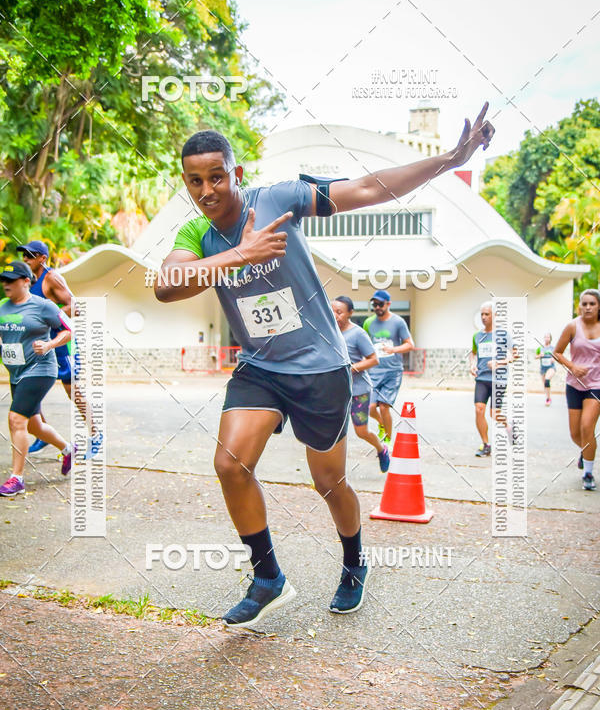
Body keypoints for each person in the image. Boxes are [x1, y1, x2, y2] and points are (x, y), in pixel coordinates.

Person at [155, 104, 494, 629]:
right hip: (260, 367)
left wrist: (449, 160)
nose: (206, 190)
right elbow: (166, 285)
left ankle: (355, 562)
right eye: (194, 181)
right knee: (230, 465)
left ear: (235, 173)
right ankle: (268, 578)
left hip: (320, 367)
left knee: (329, 482)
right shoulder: (195, 234)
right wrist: (241, 255)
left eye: (216, 177)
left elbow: (368, 188)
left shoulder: (278, 199)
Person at [16, 240, 100, 458]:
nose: (25, 259)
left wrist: (50, 315)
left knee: (73, 391)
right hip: (40, 345)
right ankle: (43, 435)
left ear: (42, 258)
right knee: (30, 388)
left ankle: (95, 435)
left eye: (30, 255)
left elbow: (76, 306)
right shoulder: (28, 281)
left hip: (62, 344)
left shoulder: (51, 277)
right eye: (24, 255)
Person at [0, 261, 74, 496]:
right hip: (17, 372)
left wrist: (50, 344)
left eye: (11, 280)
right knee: (33, 425)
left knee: (15, 419)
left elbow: (68, 329)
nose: (6, 284)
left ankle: (17, 478)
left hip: (40, 369)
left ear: (26, 281)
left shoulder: (44, 306)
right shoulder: (2, 307)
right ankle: (68, 449)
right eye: (3, 280)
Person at [331, 296, 390, 472]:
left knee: (361, 431)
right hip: (336, 392)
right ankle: (331, 470)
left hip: (359, 391)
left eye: (339, 312)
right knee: (333, 430)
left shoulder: (358, 334)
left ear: (350, 313)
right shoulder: (329, 331)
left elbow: (373, 359)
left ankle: (381, 449)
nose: (335, 315)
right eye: (332, 311)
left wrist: (350, 369)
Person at [553, 289, 600, 491]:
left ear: (599, 306)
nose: (587, 307)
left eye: (592, 304)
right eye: (584, 304)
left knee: (587, 427)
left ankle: (588, 473)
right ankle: (586, 451)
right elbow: (557, 352)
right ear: (579, 306)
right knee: (575, 433)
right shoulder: (572, 326)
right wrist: (572, 366)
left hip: (596, 385)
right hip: (574, 385)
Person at [364, 291, 414, 443]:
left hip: (393, 371)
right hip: (374, 371)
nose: (377, 307)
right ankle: (382, 425)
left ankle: (387, 441)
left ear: (388, 304)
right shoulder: (368, 323)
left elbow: (410, 345)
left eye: (380, 304)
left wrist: (393, 349)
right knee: (370, 407)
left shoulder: (398, 322)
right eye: (374, 304)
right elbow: (365, 344)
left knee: (384, 407)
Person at [469, 301, 515, 456]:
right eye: (482, 314)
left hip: (499, 379)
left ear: (495, 315)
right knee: (479, 409)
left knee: (494, 414)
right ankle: (486, 444)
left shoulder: (503, 335)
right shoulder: (477, 336)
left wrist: (499, 362)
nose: (483, 317)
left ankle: (508, 426)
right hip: (482, 378)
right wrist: (472, 365)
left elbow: (514, 354)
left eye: (487, 314)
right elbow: (473, 353)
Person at [535, 332, 556, 405]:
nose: (547, 338)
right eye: (545, 337)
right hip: (543, 368)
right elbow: (535, 356)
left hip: (551, 367)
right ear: (544, 338)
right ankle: (548, 398)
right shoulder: (540, 348)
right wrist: (540, 355)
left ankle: (548, 399)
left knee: (547, 380)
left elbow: (557, 356)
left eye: (548, 337)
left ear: (550, 339)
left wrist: (553, 358)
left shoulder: (553, 348)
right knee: (545, 384)